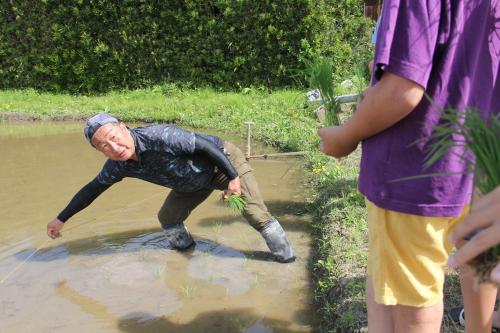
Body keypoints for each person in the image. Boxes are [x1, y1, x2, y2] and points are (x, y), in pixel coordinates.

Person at [318, 1, 499, 332]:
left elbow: (403, 90)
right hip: (480, 162)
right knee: (477, 259)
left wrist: (345, 135)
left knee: (410, 297)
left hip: (414, 172)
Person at [46, 113, 295, 263]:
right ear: (99, 151)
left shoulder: (159, 136)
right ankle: (184, 253)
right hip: (190, 183)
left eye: (114, 136)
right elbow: (92, 190)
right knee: (168, 217)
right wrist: (60, 219)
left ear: (123, 127)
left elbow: (206, 146)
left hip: (223, 164)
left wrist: (232, 178)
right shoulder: (117, 166)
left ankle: (286, 260)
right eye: (104, 146)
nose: (114, 146)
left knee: (255, 214)